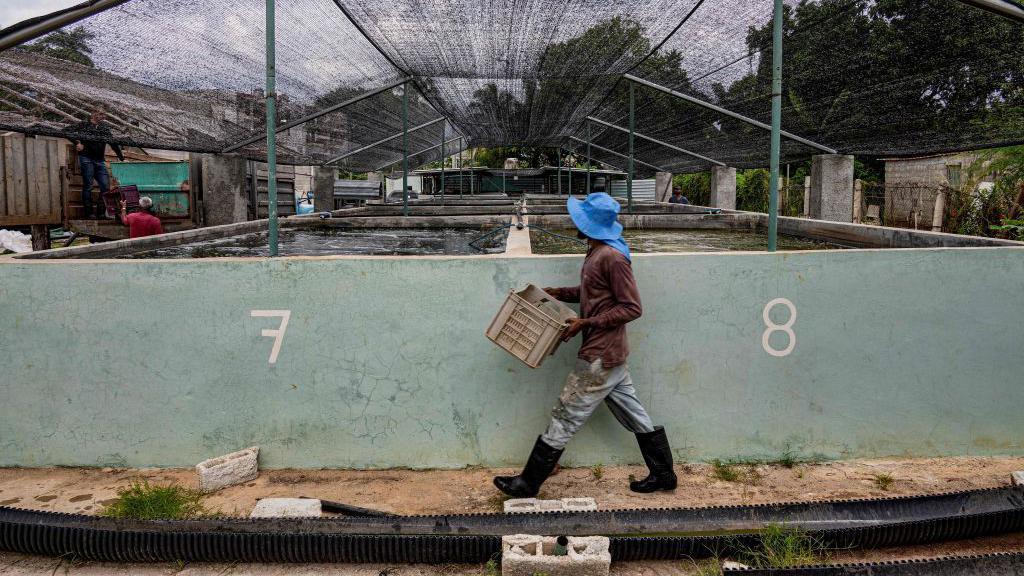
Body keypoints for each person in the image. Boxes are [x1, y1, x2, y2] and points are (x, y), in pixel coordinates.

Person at [493, 192, 677, 498]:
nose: (574, 223)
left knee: (566, 413)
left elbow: (632, 308)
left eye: (579, 219)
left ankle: (528, 483)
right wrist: (559, 293)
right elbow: (593, 292)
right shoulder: (598, 251)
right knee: (635, 414)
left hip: (599, 356)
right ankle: (664, 474)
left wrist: (585, 323)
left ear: (589, 226)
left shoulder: (613, 258)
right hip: (611, 357)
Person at [67, 108, 124, 218]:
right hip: (86, 158)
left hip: (99, 160)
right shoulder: (84, 124)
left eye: (104, 114)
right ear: (93, 114)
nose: (103, 116)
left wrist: (121, 158)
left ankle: (101, 212)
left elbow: (113, 143)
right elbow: (65, 131)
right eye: (101, 114)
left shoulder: (104, 128)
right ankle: (89, 213)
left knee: (105, 186)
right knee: (88, 185)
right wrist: (76, 143)